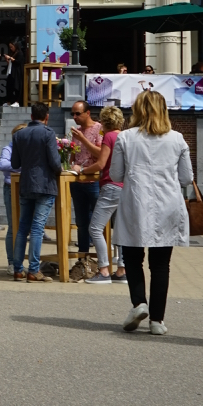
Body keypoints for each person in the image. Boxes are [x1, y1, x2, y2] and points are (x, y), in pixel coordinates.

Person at [110, 91, 193, 334]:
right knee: (160, 265)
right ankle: (157, 320)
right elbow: (186, 178)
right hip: (168, 203)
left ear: (137, 110)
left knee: (132, 258)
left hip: (136, 202)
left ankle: (139, 303)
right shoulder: (177, 138)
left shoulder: (125, 137)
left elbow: (115, 174)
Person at [10, 101, 61, 281]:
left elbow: (15, 163)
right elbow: (55, 162)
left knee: (23, 227)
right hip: (45, 184)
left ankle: (18, 268)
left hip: (26, 184)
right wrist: (60, 169)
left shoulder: (19, 134)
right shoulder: (48, 133)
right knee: (38, 228)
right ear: (47, 117)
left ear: (31, 116)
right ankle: (33, 269)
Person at [81, 104, 127, 284]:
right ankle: (122, 270)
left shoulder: (109, 136)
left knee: (95, 228)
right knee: (121, 229)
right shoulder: (125, 136)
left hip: (111, 186)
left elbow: (101, 163)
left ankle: (104, 270)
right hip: (125, 187)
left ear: (105, 121)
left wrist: (82, 170)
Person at [69, 100, 103, 277]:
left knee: (98, 223)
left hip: (93, 181)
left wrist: (83, 139)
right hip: (77, 182)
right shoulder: (76, 131)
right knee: (81, 223)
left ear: (87, 113)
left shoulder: (99, 128)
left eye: (78, 113)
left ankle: (102, 263)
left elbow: (100, 154)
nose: (74, 117)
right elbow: (74, 155)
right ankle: (83, 260)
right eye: (72, 114)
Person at [0, 123, 25, 273]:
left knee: (25, 227)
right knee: (13, 225)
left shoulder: (29, 149)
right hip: (11, 188)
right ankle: (11, 261)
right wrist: (22, 167)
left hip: (27, 187)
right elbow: (2, 165)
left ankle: (22, 260)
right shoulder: (8, 149)